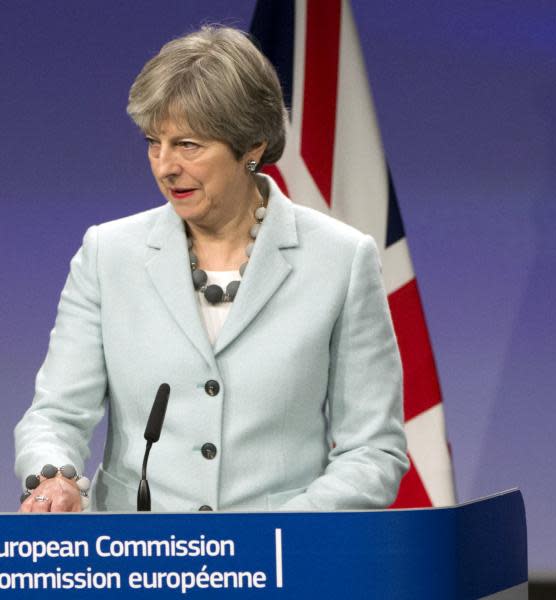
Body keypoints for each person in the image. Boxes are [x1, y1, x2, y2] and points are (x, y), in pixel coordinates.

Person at [14, 26, 408, 513]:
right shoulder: (108, 254)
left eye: (188, 145)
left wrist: (277, 538)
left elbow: (372, 450)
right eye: (154, 142)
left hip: (279, 567)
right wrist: (56, 476)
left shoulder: (340, 260)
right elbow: (56, 414)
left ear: (252, 147)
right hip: (139, 562)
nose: (164, 166)